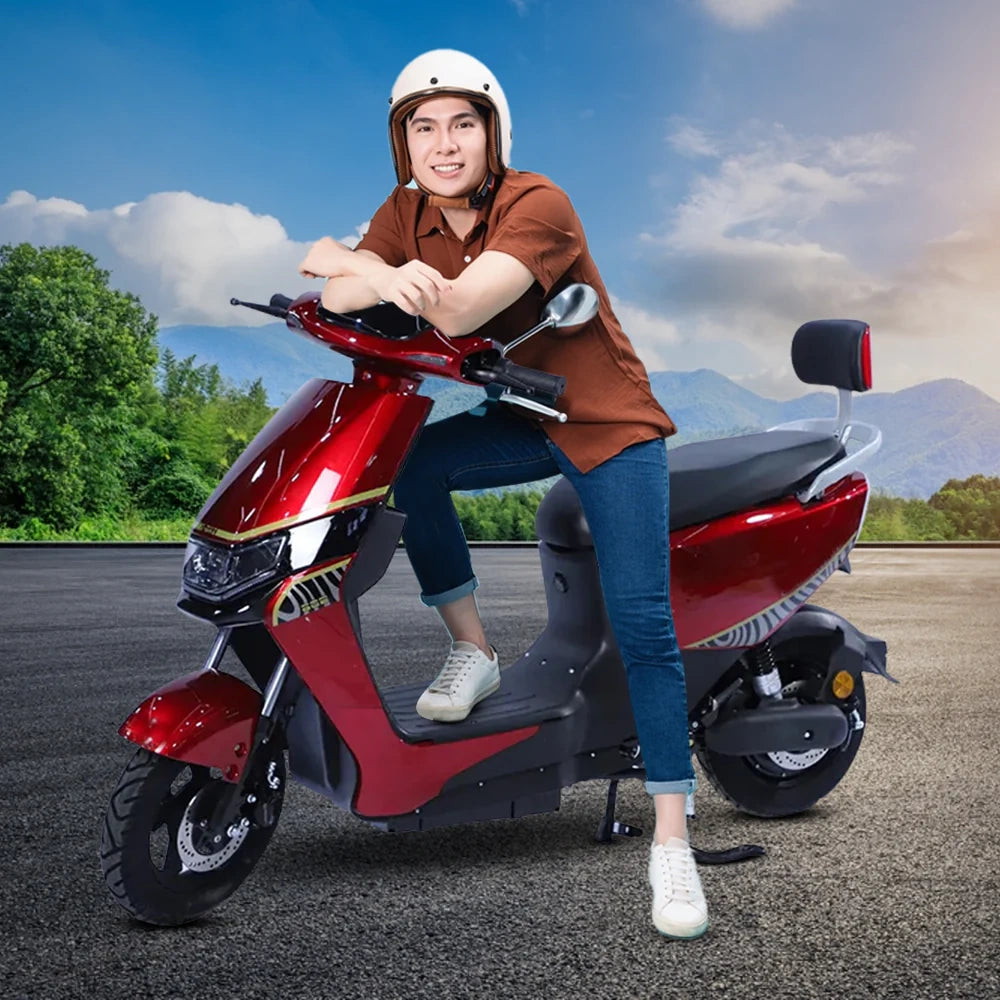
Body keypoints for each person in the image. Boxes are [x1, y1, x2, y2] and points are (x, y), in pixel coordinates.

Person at [298, 49, 709, 940]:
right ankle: (474, 651)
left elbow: (456, 309)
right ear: (402, 142)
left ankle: (672, 839)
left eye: (462, 123)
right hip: (527, 415)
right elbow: (329, 282)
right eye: (422, 126)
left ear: (494, 133)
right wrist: (351, 259)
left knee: (641, 626)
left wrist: (372, 269)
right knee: (415, 462)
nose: (443, 144)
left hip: (606, 422)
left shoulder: (540, 204)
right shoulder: (406, 209)